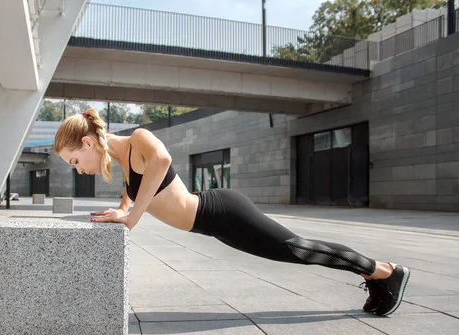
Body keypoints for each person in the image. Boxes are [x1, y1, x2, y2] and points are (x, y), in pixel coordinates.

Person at [53, 109, 410, 317]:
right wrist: (121, 207)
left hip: (222, 211)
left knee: (298, 249)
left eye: (74, 160)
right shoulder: (123, 158)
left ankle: (385, 272)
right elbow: (136, 184)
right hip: (214, 224)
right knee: (295, 251)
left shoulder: (140, 138)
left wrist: (132, 218)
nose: (77, 168)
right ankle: (380, 275)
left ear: (86, 142)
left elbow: (161, 161)